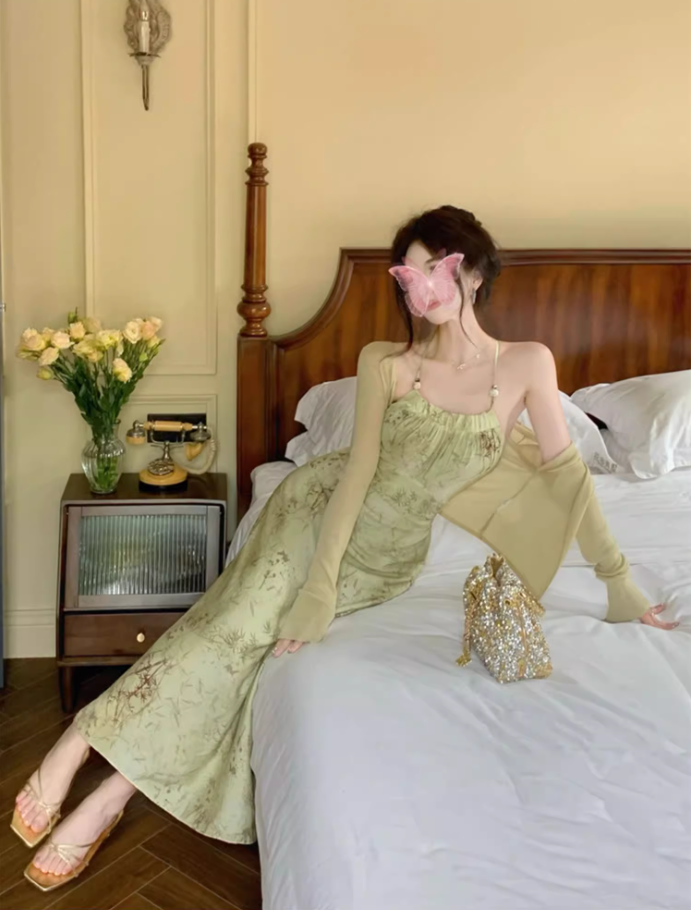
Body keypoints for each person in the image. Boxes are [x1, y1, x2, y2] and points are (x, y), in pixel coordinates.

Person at [13, 206, 677, 892]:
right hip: (314, 513)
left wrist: (619, 583)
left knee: (244, 641)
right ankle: (84, 765)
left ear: (473, 275)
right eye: (408, 273)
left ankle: (100, 776)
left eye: (436, 267)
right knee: (235, 629)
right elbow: (355, 474)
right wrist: (317, 589)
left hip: (388, 559)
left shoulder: (527, 364)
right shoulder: (386, 363)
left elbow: (569, 481)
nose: (421, 286)